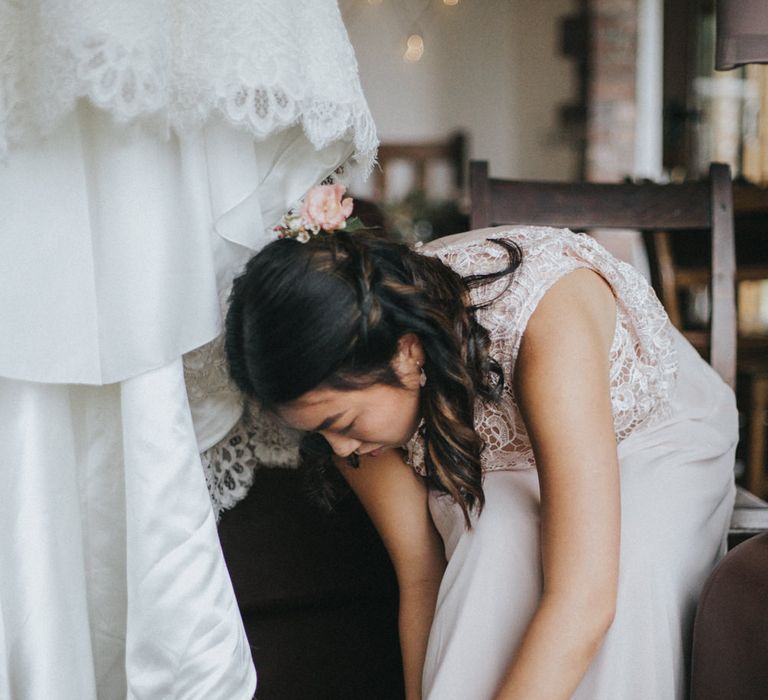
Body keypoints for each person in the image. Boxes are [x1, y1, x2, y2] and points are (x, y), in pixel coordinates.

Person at [224, 220, 737, 699]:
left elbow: (584, 601)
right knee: (485, 542)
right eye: (317, 432)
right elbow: (422, 576)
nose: (338, 449)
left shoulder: (543, 325)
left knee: (631, 568)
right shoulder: (349, 390)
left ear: (406, 353)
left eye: (342, 424)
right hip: (503, 446)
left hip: (654, 431)